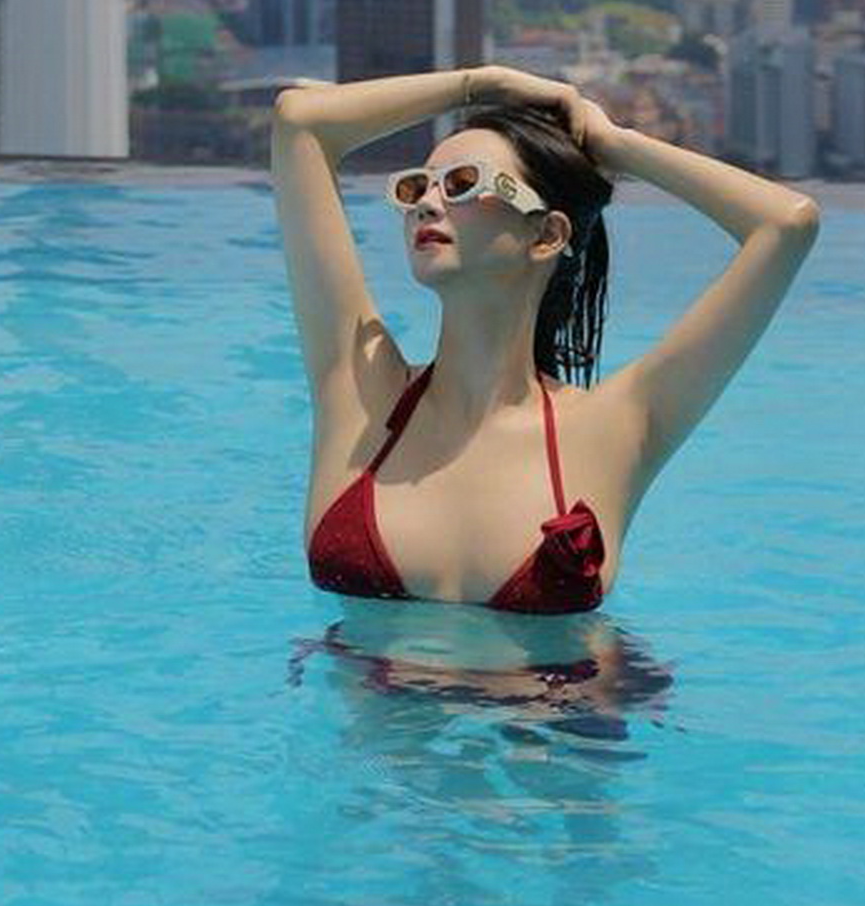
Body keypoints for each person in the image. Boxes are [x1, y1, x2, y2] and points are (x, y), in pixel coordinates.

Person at [271, 63, 821, 611]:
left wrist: (613, 144)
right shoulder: (362, 392)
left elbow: (786, 224)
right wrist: (482, 83)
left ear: (547, 235)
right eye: (419, 186)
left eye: (463, 183)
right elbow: (299, 123)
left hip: (580, 673)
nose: (427, 204)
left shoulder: (613, 426)